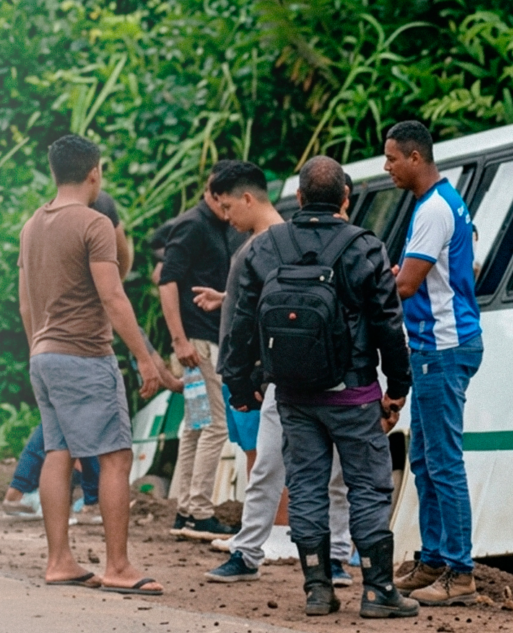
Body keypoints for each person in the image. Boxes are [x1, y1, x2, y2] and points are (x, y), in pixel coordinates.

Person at [224, 156, 415, 618]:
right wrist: (397, 385)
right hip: (353, 392)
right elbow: (388, 323)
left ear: (301, 199)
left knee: (306, 486)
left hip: (293, 394)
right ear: (345, 199)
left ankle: (317, 590)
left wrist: (239, 382)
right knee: (367, 487)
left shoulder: (265, 248)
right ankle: (378, 590)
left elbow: (242, 321)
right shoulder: (365, 246)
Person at [18, 134, 162, 593]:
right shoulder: (94, 223)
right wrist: (144, 358)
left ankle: (60, 560)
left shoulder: (32, 225)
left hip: (43, 355)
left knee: (58, 452)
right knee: (116, 456)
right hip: (84, 356)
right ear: (94, 171)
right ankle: (118, 567)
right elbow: (113, 295)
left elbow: (25, 305)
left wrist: (39, 350)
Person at [197, 162, 354, 587]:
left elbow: (251, 316)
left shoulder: (283, 244)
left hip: (294, 377)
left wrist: (239, 377)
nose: (226, 216)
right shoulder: (344, 244)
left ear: (301, 198)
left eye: (229, 206)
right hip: (311, 377)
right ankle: (278, 553)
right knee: (300, 469)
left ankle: (272, 554)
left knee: (283, 467)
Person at [386, 121, 484, 606]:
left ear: (415, 158)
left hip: (442, 347)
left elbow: (406, 285)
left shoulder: (433, 210)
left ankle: (461, 572)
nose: (388, 168)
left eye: (392, 159)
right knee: (425, 459)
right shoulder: (447, 202)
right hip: (436, 346)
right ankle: (435, 560)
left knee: (443, 462)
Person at [159, 160, 246, 541]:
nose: (229, 209)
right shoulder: (193, 225)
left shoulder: (216, 225)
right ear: (213, 193)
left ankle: (186, 508)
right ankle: (198, 508)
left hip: (203, 339)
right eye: (224, 201)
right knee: (214, 425)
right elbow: (167, 281)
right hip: (198, 341)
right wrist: (178, 340)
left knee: (195, 425)